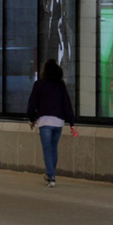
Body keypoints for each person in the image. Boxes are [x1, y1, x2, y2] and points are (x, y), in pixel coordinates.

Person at [26, 59, 77, 188]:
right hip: (58, 122)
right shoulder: (60, 86)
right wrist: (72, 123)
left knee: (47, 149)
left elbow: (32, 103)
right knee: (53, 149)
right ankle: (50, 175)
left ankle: (51, 177)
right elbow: (67, 104)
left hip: (45, 121)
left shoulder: (39, 84)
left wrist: (32, 119)